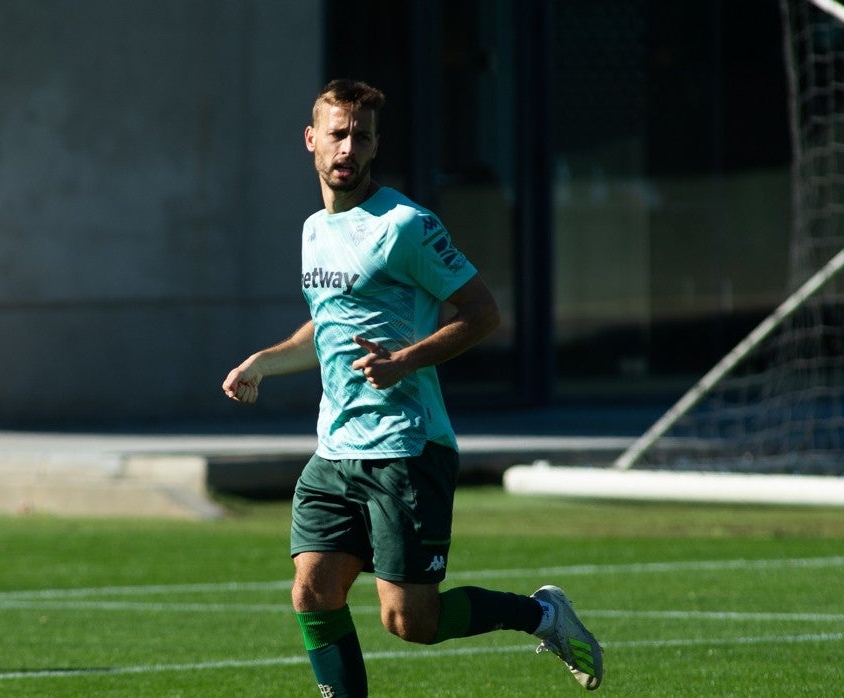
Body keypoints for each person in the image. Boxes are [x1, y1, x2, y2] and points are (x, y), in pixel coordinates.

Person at [221, 79, 603, 696]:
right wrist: (263, 363)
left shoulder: (406, 224)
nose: (349, 147)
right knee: (312, 592)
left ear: (375, 146)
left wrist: (403, 361)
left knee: (410, 621)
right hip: (335, 449)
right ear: (311, 139)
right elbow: (328, 326)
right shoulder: (314, 229)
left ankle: (542, 615)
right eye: (338, 133)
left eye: (361, 136)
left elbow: (482, 314)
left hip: (407, 447)